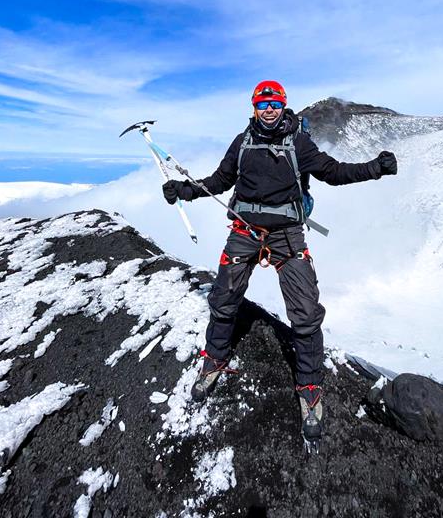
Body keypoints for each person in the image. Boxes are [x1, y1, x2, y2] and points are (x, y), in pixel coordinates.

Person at [162, 80, 397, 442]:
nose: (269, 109)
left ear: (284, 106)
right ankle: (214, 360)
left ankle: (309, 388)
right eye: (262, 103)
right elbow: (221, 181)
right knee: (224, 299)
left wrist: (374, 168)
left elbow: (332, 172)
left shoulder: (298, 142)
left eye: (274, 104)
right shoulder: (243, 143)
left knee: (304, 314)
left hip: (288, 235)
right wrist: (185, 191)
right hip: (244, 230)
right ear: (254, 107)